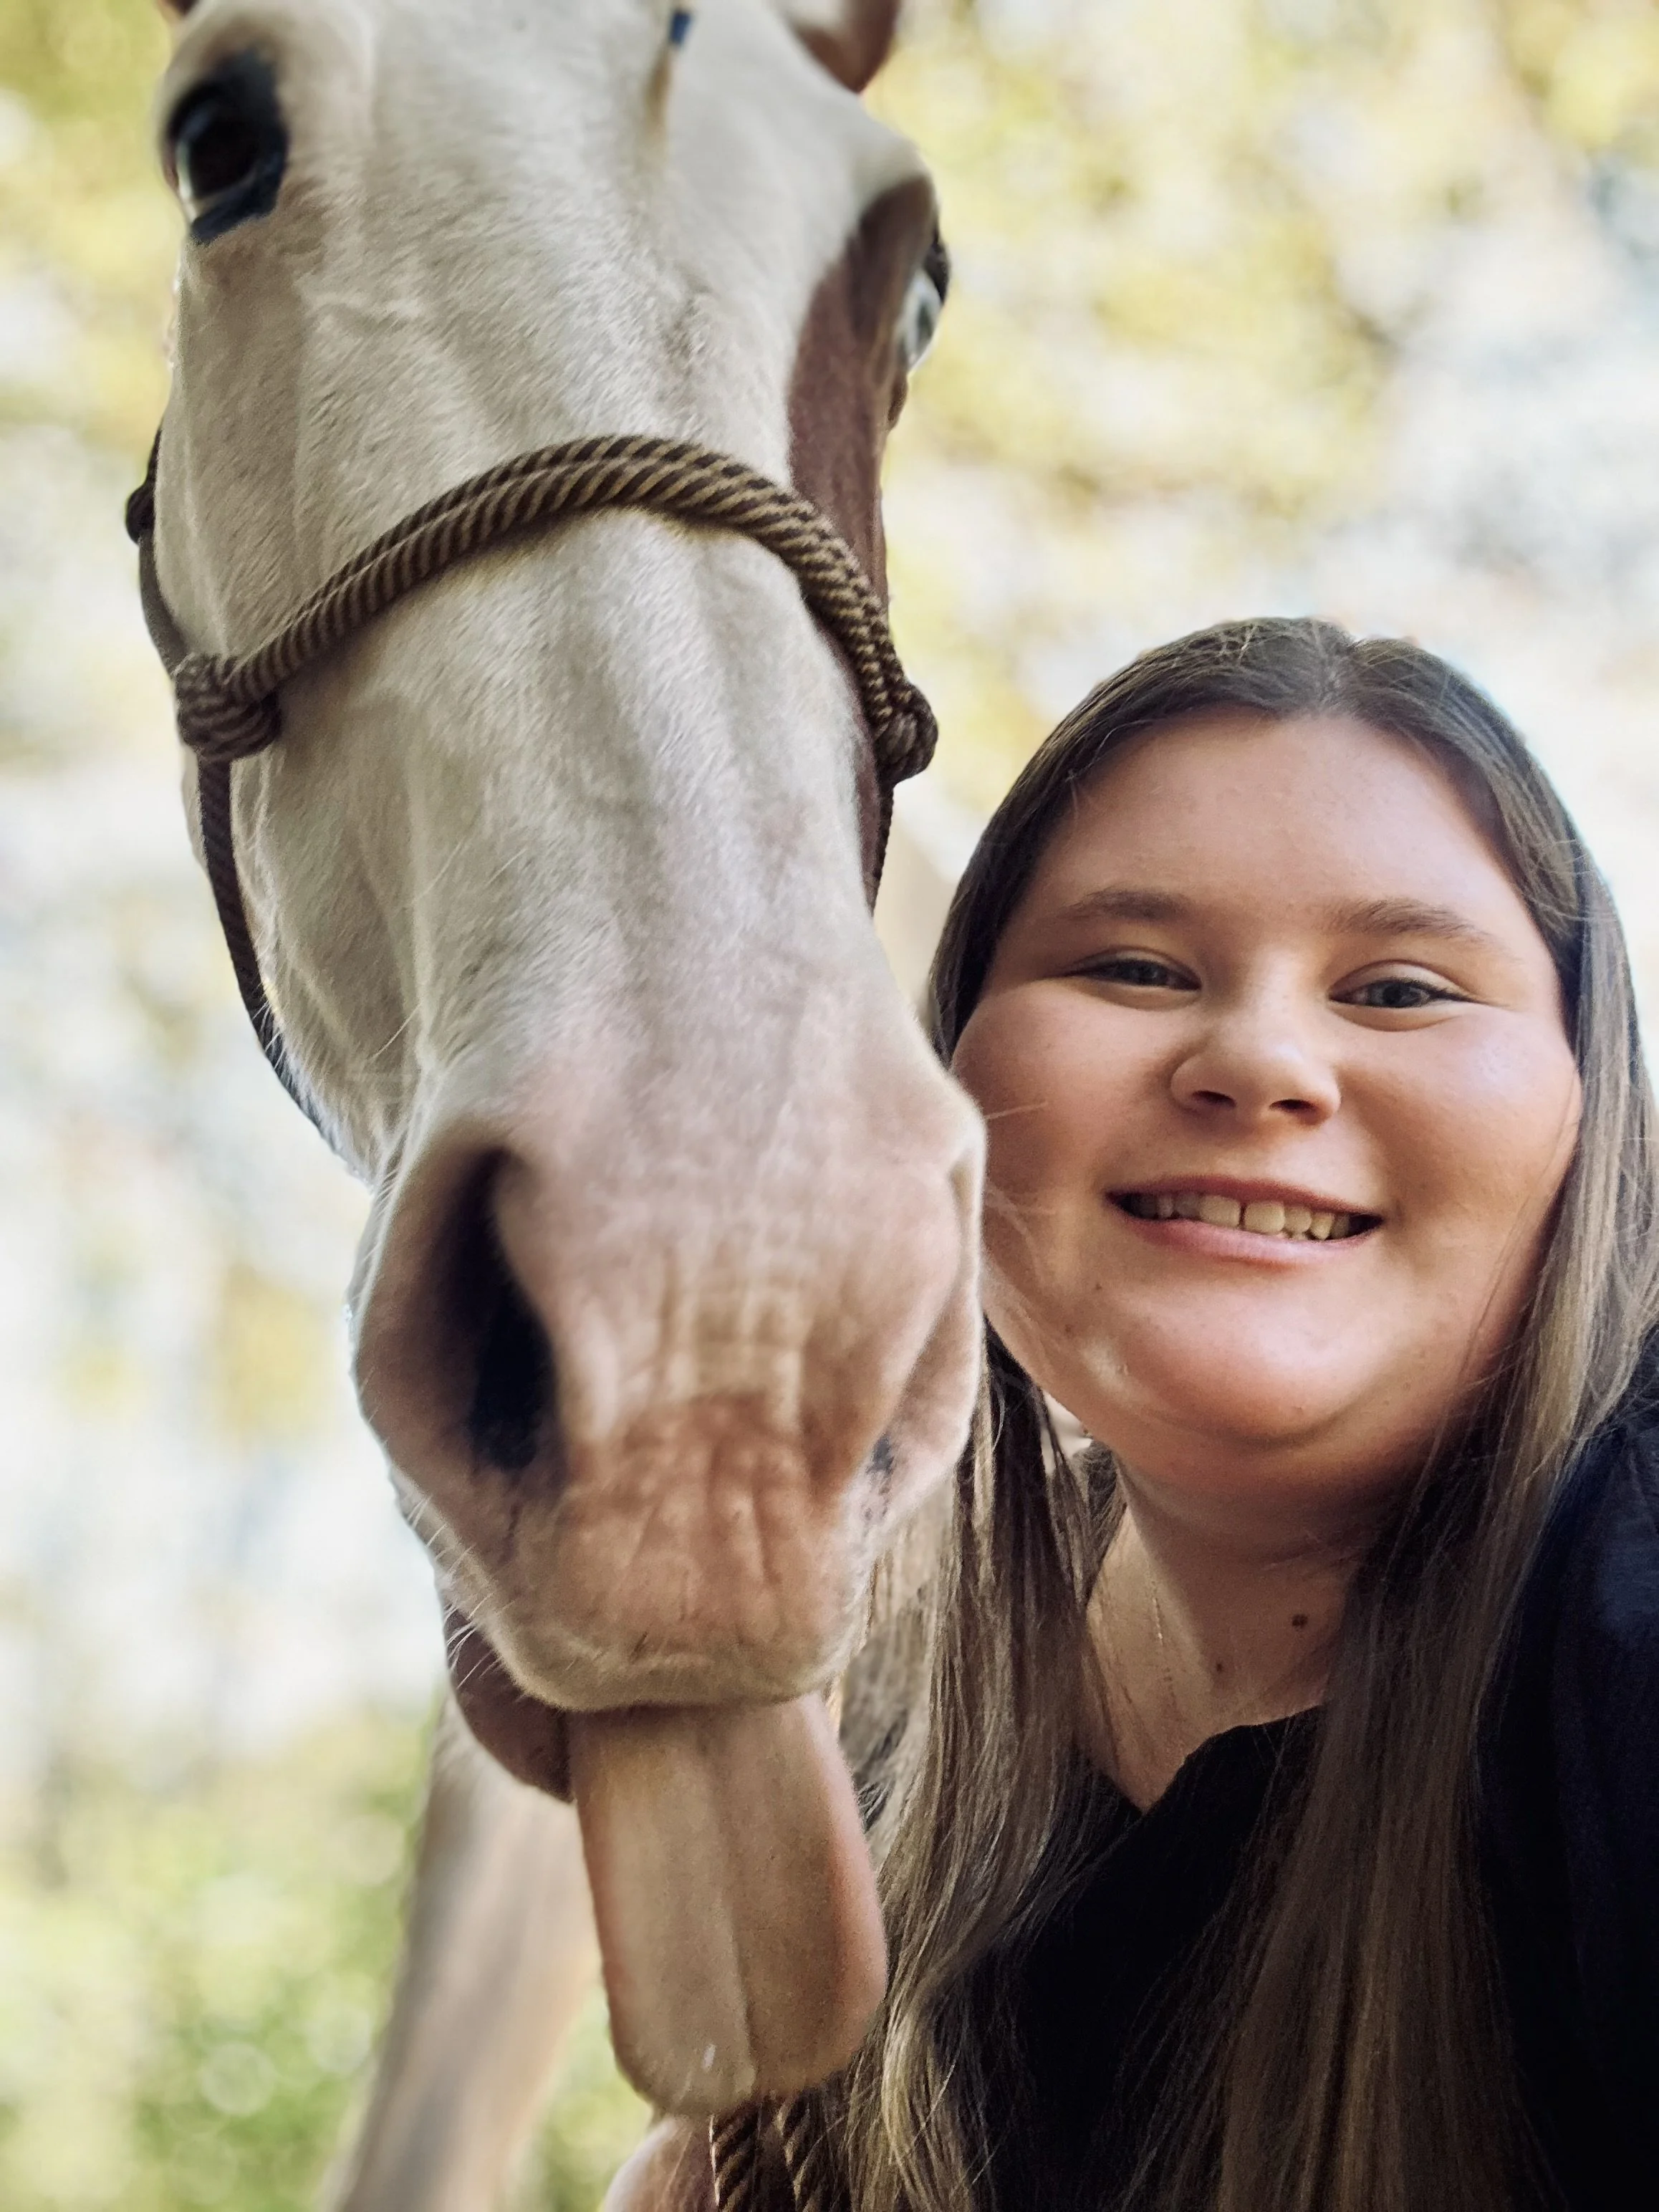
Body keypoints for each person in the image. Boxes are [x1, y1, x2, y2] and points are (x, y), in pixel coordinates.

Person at [615, 616, 1659, 2212]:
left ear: (1590, 1116)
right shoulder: (887, 1739)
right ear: (949, 1084)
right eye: (1132, 966)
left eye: (1398, 986)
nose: (1258, 1060)